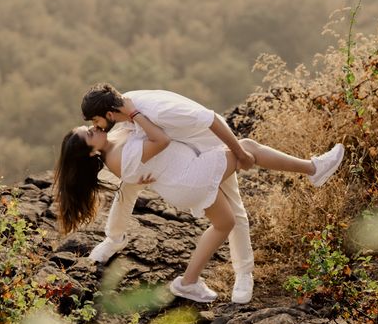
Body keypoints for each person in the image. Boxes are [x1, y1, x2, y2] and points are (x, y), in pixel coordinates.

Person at [53, 84, 345, 303]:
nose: (94, 127)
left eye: (92, 124)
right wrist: (136, 116)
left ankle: (190, 281)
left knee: (227, 221)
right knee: (249, 149)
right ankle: (313, 169)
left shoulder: (116, 138)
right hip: (191, 175)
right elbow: (160, 141)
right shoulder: (120, 139)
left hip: (192, 167)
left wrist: (137, 168)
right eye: (90, 131)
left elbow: (205, 121)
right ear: (91, 151)